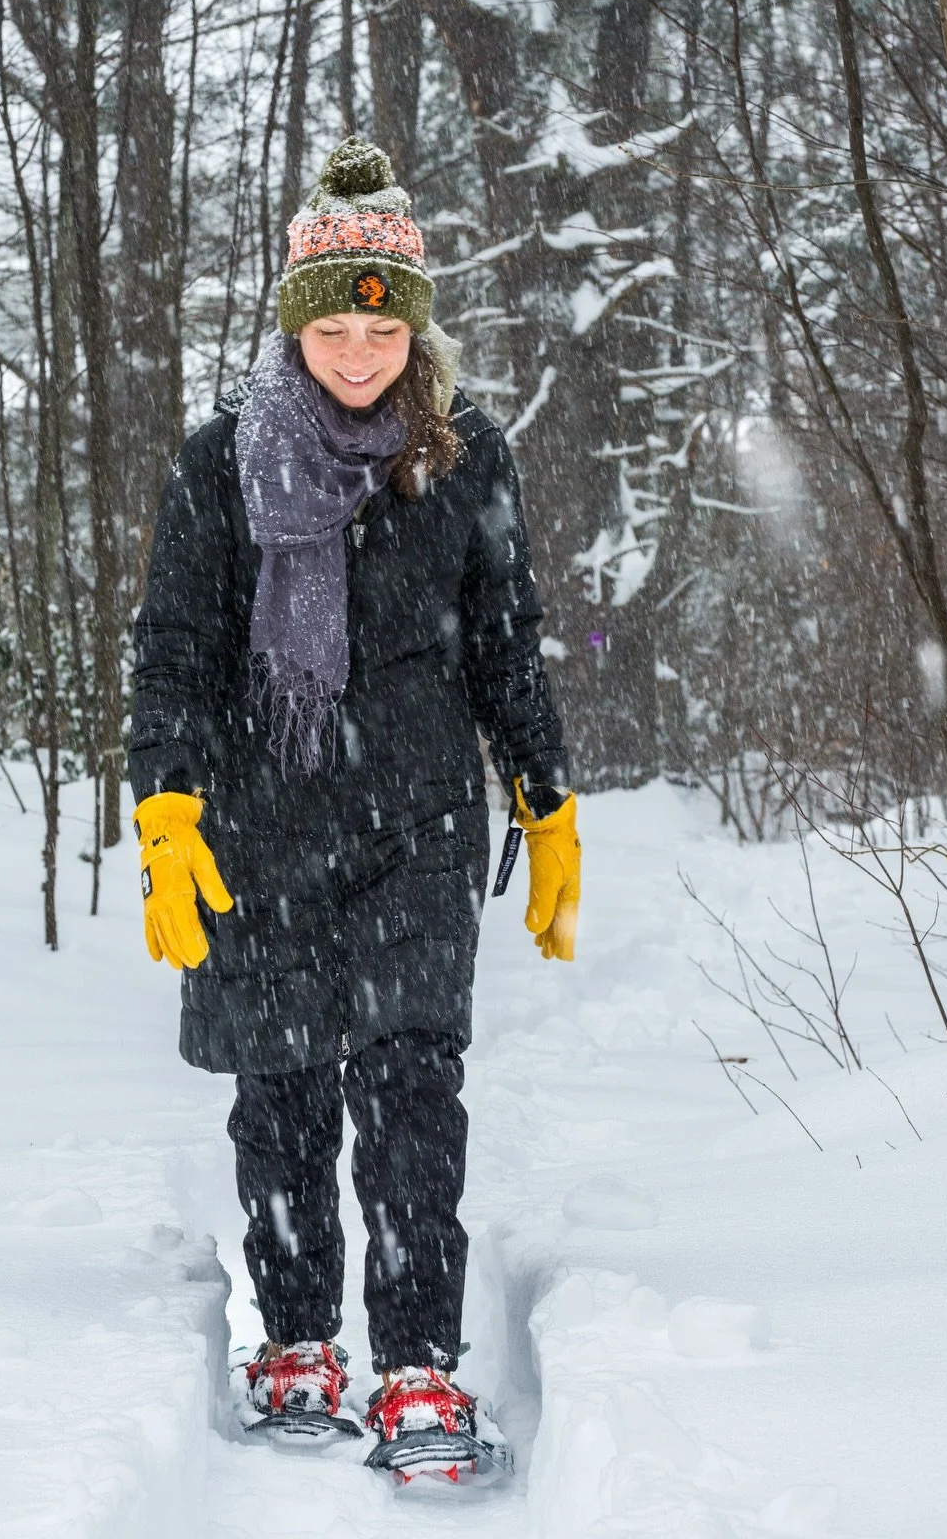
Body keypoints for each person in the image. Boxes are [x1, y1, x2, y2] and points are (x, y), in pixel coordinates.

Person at [128, 135, 581, 1483]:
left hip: (419, 832)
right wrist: (167, 814)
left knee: (408, 1094)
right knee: (281, 1095)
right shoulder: (220, 467)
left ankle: (423, 1366)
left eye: (380, 329)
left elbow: (507, 644)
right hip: (264, 822)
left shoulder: (463, 461)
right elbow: (173, 653)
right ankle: (296, 1341)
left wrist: (545, 802)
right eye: (333, 325)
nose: (358, 353)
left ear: (415, 328)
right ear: (298, 324)